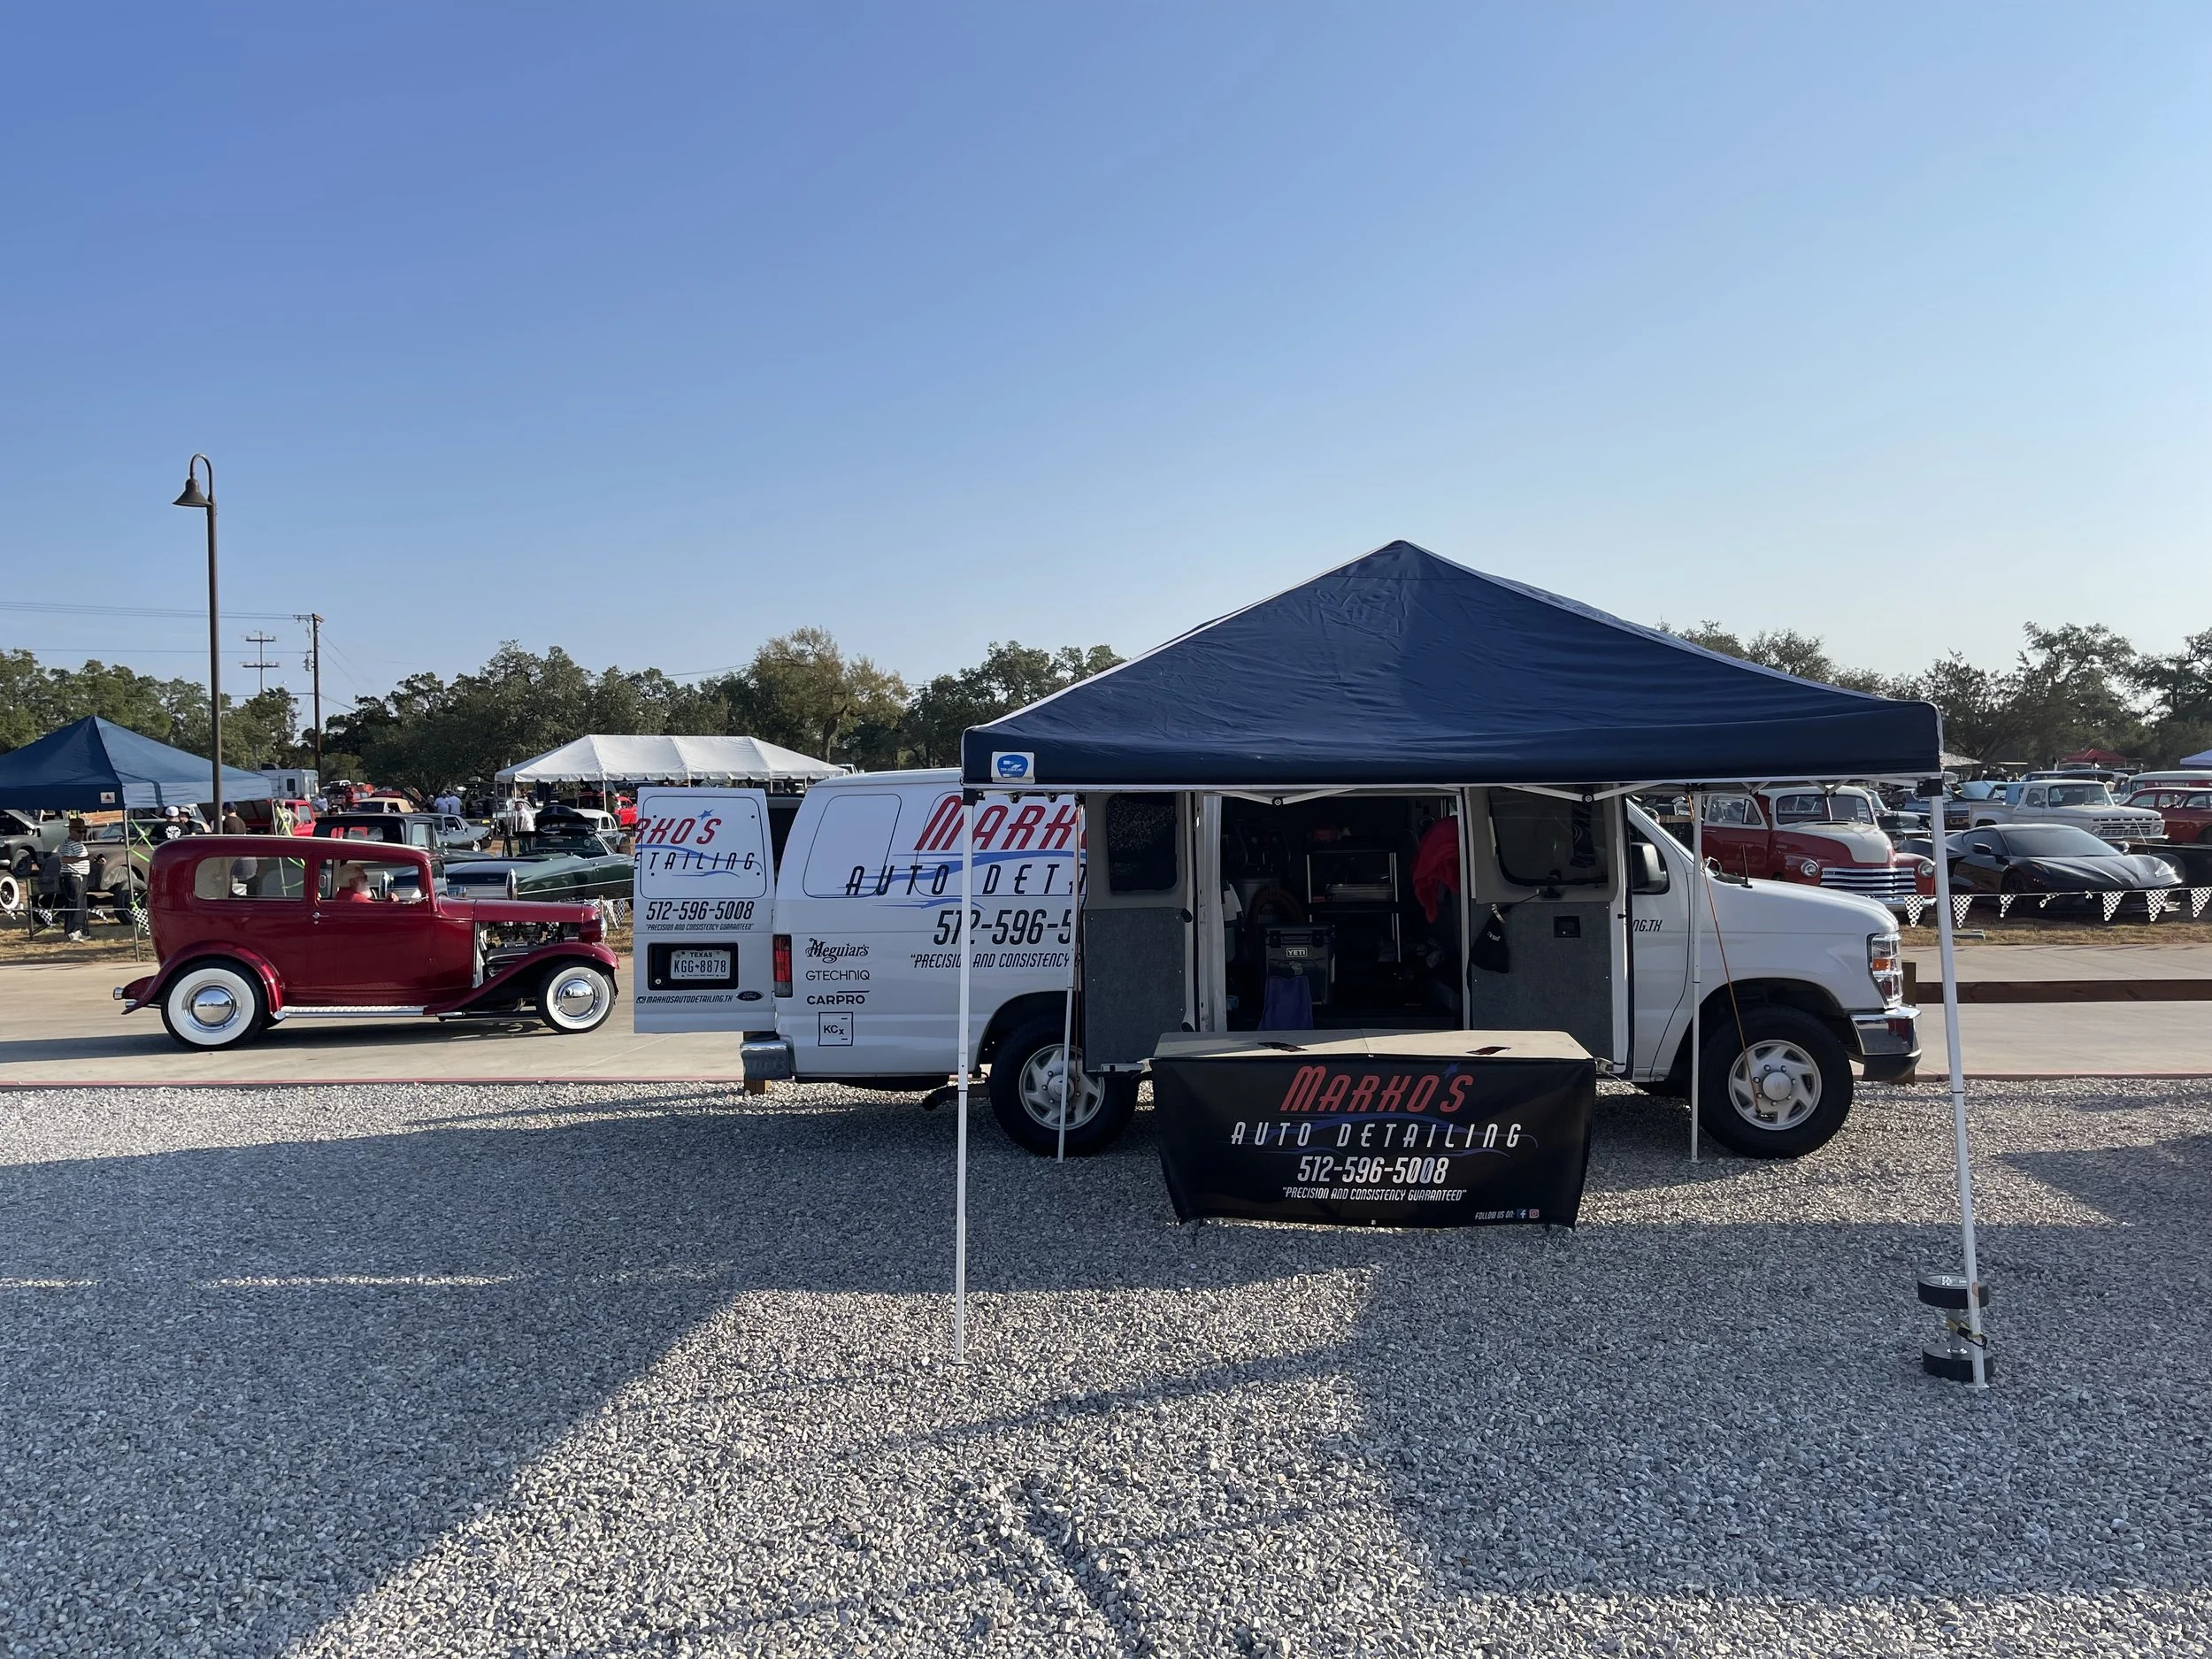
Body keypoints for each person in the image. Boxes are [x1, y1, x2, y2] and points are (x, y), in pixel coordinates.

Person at [58, 817, 91, 941]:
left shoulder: (79, 845)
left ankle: (79, 929)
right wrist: (84, 859)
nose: (82, 835)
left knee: (81, 905)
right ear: (71, 831)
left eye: (84, 832)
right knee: (75, 904)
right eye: (79, 832)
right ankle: (72, 931)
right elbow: (65, 859)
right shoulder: (67, 845)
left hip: (81, 877)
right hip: (73, 877)